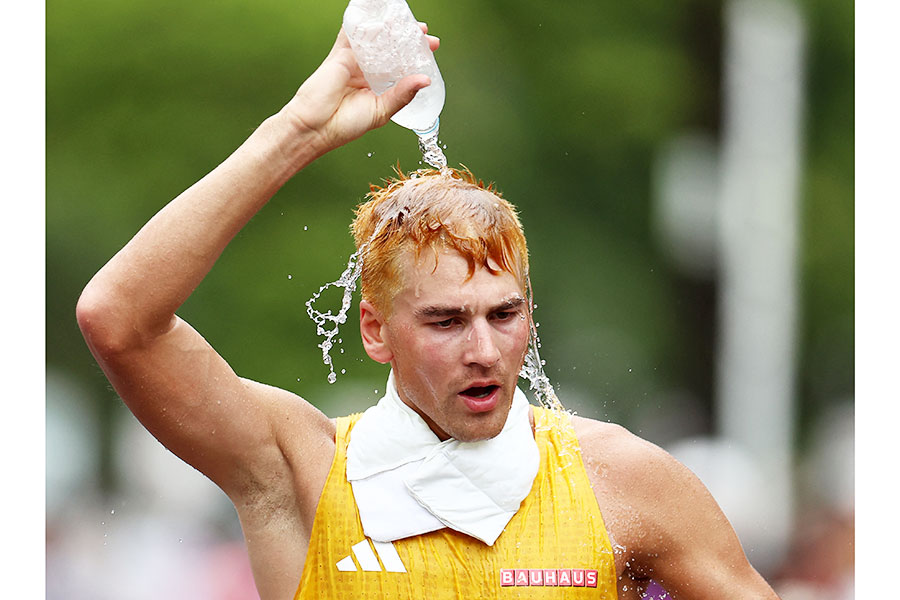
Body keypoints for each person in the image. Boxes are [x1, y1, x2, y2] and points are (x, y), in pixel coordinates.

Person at [76, 24, 780, 600]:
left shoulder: (622, 480)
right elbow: (118, 319)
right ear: (375, 330)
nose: (485, 351)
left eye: (503, 315)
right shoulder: (301, 470)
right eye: (446, 321)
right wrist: (299, 131)